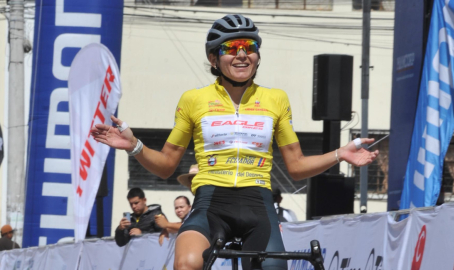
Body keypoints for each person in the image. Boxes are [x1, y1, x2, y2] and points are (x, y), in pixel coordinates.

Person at [91, 14, 378, 270]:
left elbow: (297, 165)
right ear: (214, 59)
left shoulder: (275, 98)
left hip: (258, 203)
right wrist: (135, 146)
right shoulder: (194, 99)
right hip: (211, 202)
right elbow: (167, 166)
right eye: (230, 48)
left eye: (249, 47)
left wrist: (341, 153)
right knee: (187, 263)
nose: (241, 55)